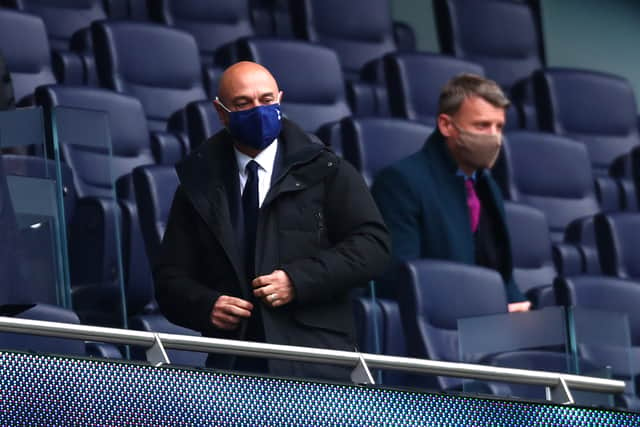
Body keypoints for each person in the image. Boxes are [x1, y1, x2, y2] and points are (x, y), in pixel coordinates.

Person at [154, 61, 391, 380]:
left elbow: (373, 247)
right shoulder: (198, 185)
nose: (257, 110)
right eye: (243, 103)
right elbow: (170, 281)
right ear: (221, 112)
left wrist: (298, 280)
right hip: (235, 369)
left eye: (266, 101)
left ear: (279, 99)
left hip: (316, 364)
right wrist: (206, 305)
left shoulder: (327, 170)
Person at [371, 73, 531, 312]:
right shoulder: (402, 181)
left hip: (484, 326)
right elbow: (401, 277)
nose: (494, 138)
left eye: (499, 127)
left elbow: (499, 270)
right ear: (446, 125)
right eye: (482, 125)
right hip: (435, 327)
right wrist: (491, 307)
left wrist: (518, 306)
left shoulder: (487, 186)